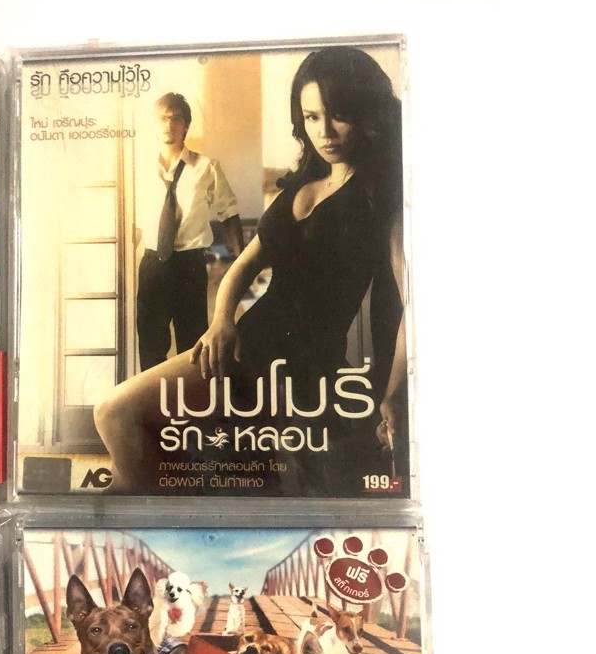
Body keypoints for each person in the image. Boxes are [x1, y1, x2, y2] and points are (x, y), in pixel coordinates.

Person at [95, 47, 406, 489]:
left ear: (366, 113)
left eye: (338, 115)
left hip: (302, 366)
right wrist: (222, 321)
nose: (324, 132)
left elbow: (412, 306)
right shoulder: (303, 183)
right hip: (246, 341)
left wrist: (394, 392)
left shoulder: (383, 199)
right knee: (124, 442)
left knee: (117, 417)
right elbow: (242, 267)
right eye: (312, 117)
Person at [135, 92, 245, 370]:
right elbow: (134, 223)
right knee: (150, 345)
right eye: (162, 118)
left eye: (175, 118)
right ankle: (157, 399)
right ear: (153, 123)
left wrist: (241, 262)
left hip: (189, 265)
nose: (168, 125)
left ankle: (192, 399)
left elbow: (229, 213)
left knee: (192, 346)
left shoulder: (206, 167)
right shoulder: (141, 168)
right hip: (152, 264)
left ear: (186, 125)